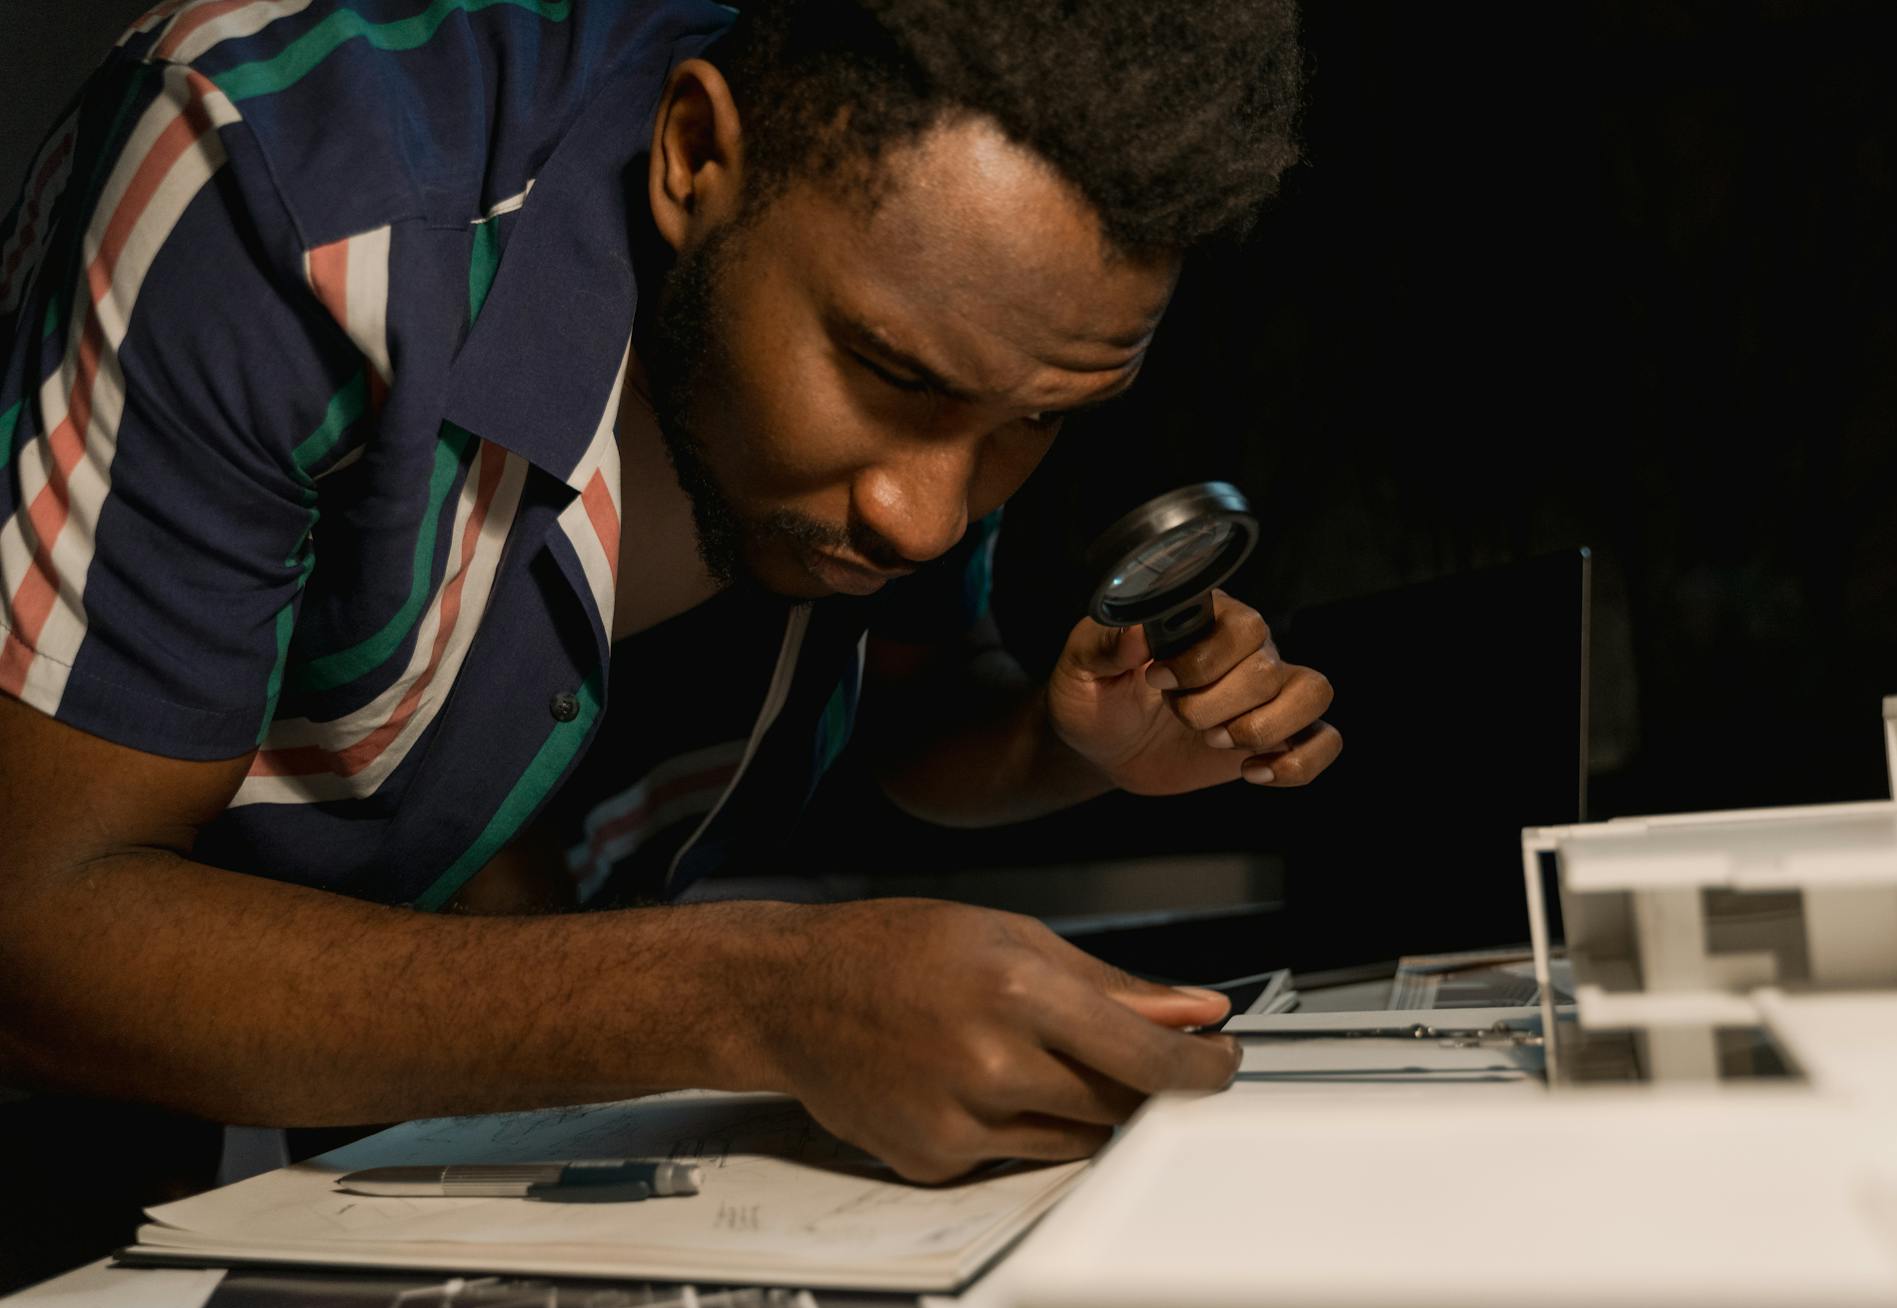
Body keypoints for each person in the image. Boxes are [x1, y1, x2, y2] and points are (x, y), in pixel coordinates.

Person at [0, 0, 1336, 1186]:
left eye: (1036, 421)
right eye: (892, 376)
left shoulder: (940, 322)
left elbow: (899, 716)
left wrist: (1061, 745)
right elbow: (39, 929)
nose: (927, 516)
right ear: (697, 157)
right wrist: (762, 994)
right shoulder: (281, 181)